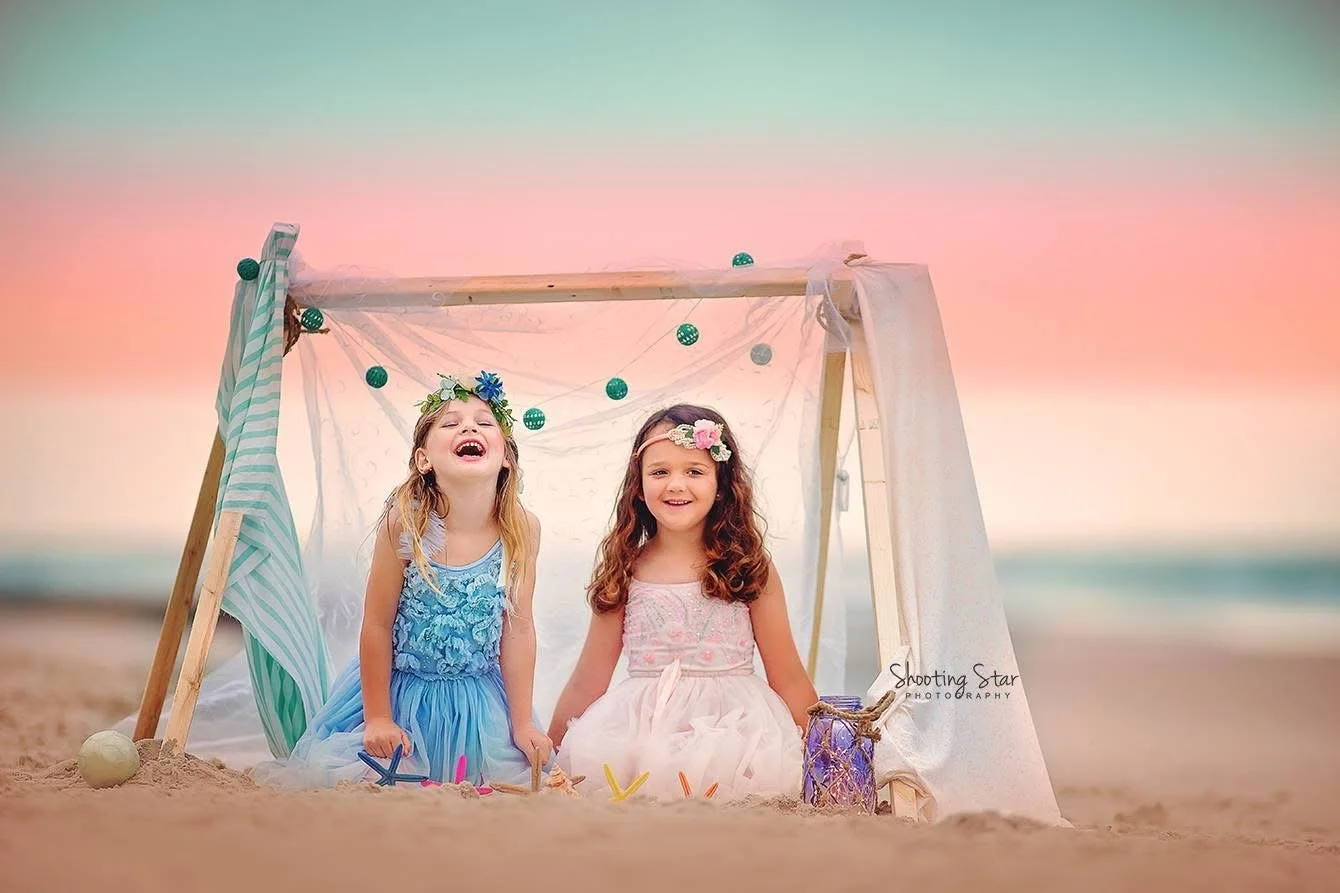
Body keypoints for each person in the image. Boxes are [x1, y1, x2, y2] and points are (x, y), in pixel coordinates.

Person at [257, 371, 551, 787]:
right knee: (364, 777)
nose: (469, 428)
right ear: (423, 460)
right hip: (402, 698)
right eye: (451, 423)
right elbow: (377, 624)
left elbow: (518, 630)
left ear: (507, 457)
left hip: (478, 706)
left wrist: (522, 723)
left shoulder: (521, 529)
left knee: (503, 781)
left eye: (485, 422)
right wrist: (378, 717)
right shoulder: (407, 524)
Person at [548, 404, 817, 800]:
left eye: (694, 471)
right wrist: (550, 760)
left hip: (734, 737)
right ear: (638, 486)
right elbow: (588, 679)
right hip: (640, 737)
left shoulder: (747, 566)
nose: (676, 485)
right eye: (660, 472)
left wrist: (825, 756)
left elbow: (788, 676)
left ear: (721, 483)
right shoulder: (625, 568)